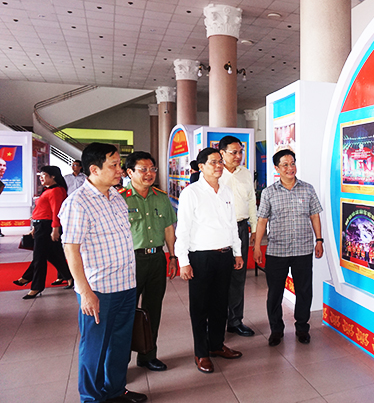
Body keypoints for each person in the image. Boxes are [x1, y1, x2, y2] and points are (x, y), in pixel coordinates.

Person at [59, 142, 147, 403]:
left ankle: (116, 391)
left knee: (120, 343)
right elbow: (71, 250)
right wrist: (85, 292)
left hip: (126, 284)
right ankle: (91, 398)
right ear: (94, 169)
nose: (120, 170)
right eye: (114, 165)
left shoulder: (117, 197)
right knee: (95, 347)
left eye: (119, 164)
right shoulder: (78, 203)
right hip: (99, 289)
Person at [175, 147, 244, 373]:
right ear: (201, 166)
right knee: (200, 307)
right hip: (201, 257)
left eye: (220, 162)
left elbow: (232, 225)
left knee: (220, 305)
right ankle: (201, 353)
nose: (218, 166)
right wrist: (183, 261)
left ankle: (216, 345)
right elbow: (182, 229)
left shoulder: (226, 191)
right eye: (213, 162)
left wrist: (237, 252)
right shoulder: (191, 193)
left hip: (224, 255)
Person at [253, 149, 324, 347]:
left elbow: (315, 216)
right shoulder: (269, 192)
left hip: (303, 249)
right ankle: (276, 330)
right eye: (285, 165)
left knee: (304, 291)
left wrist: (319, 240)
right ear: (277, 168)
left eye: (292, 163)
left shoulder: (307, 189)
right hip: (277, 250)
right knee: (275, 293)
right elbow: (262, 221)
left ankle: (302, 328)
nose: (290, 168)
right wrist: (257, 247)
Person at [121, 151, 178, 371]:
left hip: (156, 259)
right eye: (143, 169)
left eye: (152, 169)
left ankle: (148, 355)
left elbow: (168, 228)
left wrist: (172, 256)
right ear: (129, 172)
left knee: (153, 309)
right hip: (131, 261)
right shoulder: (120, 198)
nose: (149, 173)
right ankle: (121, 362)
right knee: (126, 312)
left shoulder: (161, 197)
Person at [14, 166, 74, 299]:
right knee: (52, 255)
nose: (41, 177)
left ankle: (35, 286)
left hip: (47, 227)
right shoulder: (48, 190)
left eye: (44, 175)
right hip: (41, 225)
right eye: (40, 175)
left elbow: (56, 212)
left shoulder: (56, 191)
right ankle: (69, 276)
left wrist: (55, 229)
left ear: (53, 176)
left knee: (39, 257)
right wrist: (34, 227)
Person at [218, 136, 257, 337]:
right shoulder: (214, 173)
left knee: (238, 276)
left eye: (240, 152)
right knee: (219, 277)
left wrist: (255, 229)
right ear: (222, 153)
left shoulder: (246, 174)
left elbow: (251, 201)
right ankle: (217, 323)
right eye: (233, 152)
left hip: (241, 228)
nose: (238, 156)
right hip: (219, 231)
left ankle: (235, 321)